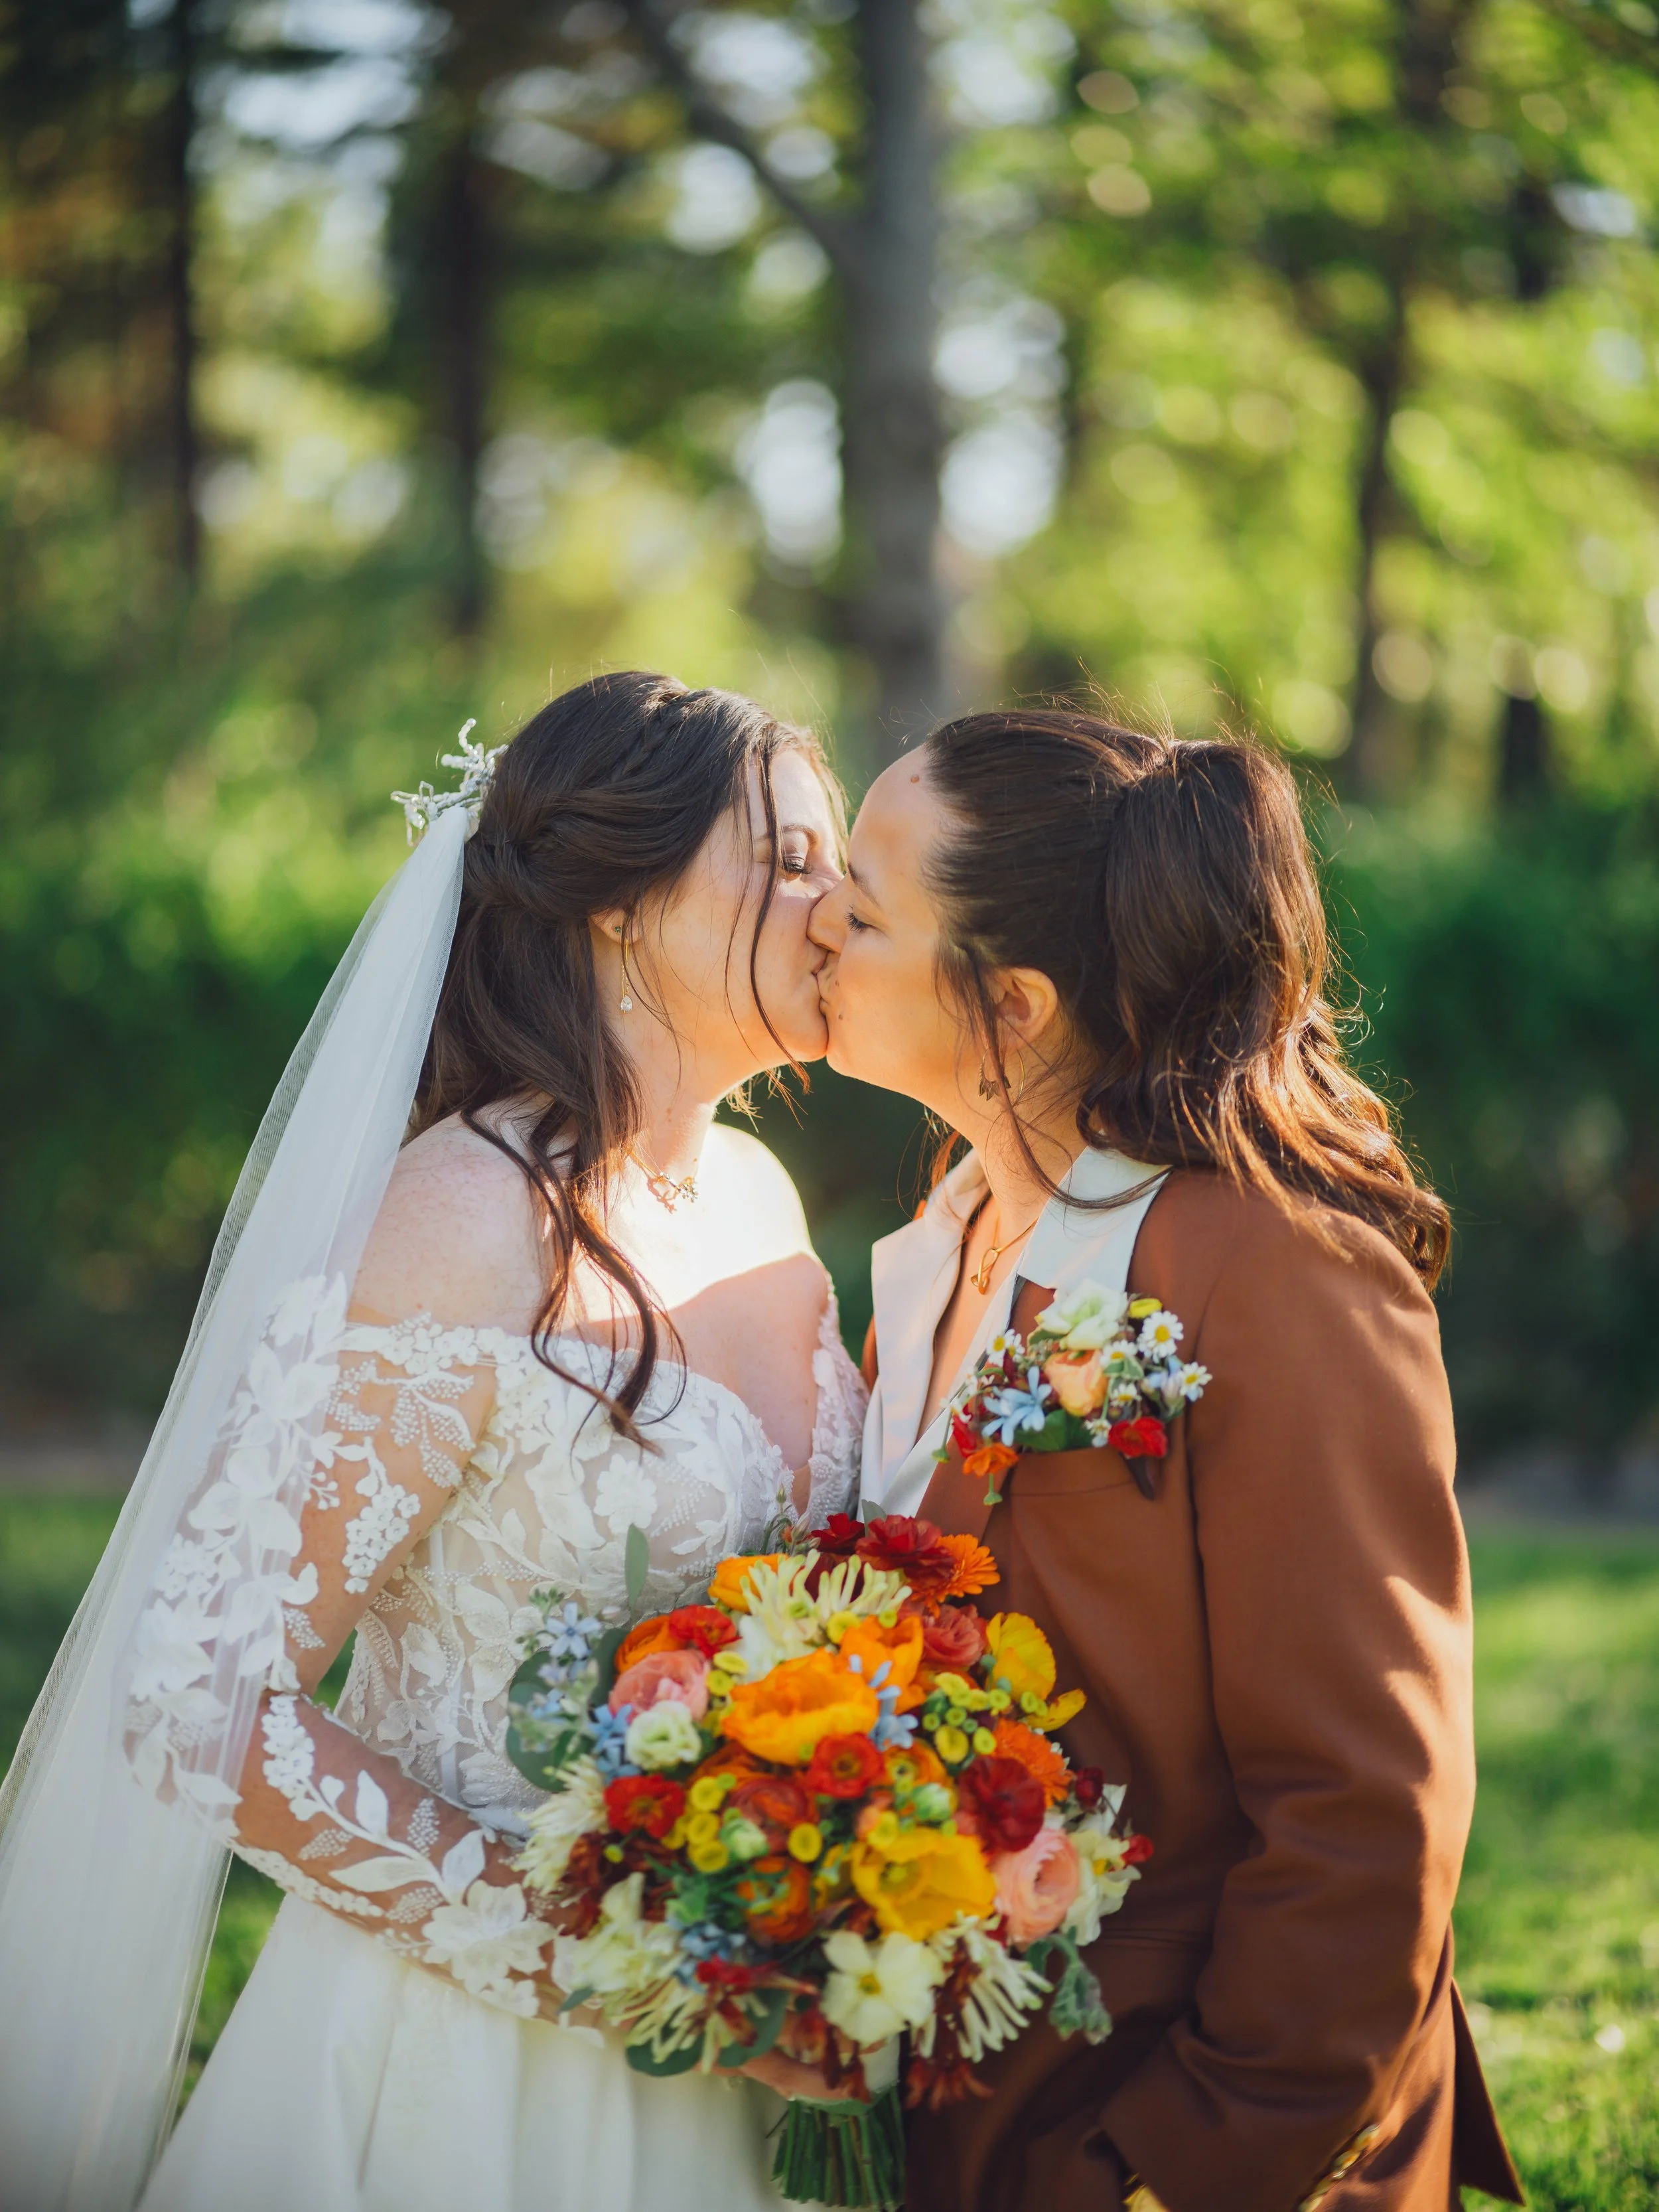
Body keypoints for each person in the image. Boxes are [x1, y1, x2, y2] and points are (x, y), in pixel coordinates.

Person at [0, 672, 866, 2212]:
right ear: (619, 903)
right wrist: (598, 1967)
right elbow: (199, 1697)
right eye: (787, 860)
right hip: (468, 2070)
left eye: (837, 864)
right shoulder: (466, 1217)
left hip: (760, 2038)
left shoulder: (760, 1200)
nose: (833, 908)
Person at [808, 707, 1524, 2212]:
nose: (812, 920)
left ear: (1006, 1005)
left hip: (1170, 2129)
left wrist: (1173, 2165)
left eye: (863, 909)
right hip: (961, 2104)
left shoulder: (1273, 1268)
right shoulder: (941, 1241)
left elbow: (1362, 1805)